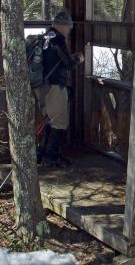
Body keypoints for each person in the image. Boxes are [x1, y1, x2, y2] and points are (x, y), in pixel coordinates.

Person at [40, 10, 84, 167]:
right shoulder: (58, 40)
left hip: (43, 87)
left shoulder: (45, 37)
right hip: (55, 87)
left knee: (49, 121)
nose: (70, 30)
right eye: (69, 27)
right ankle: (51, 158)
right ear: (63, 26)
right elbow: (68, 64)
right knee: (59, 122)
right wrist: (78, 58)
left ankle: (44, 155)